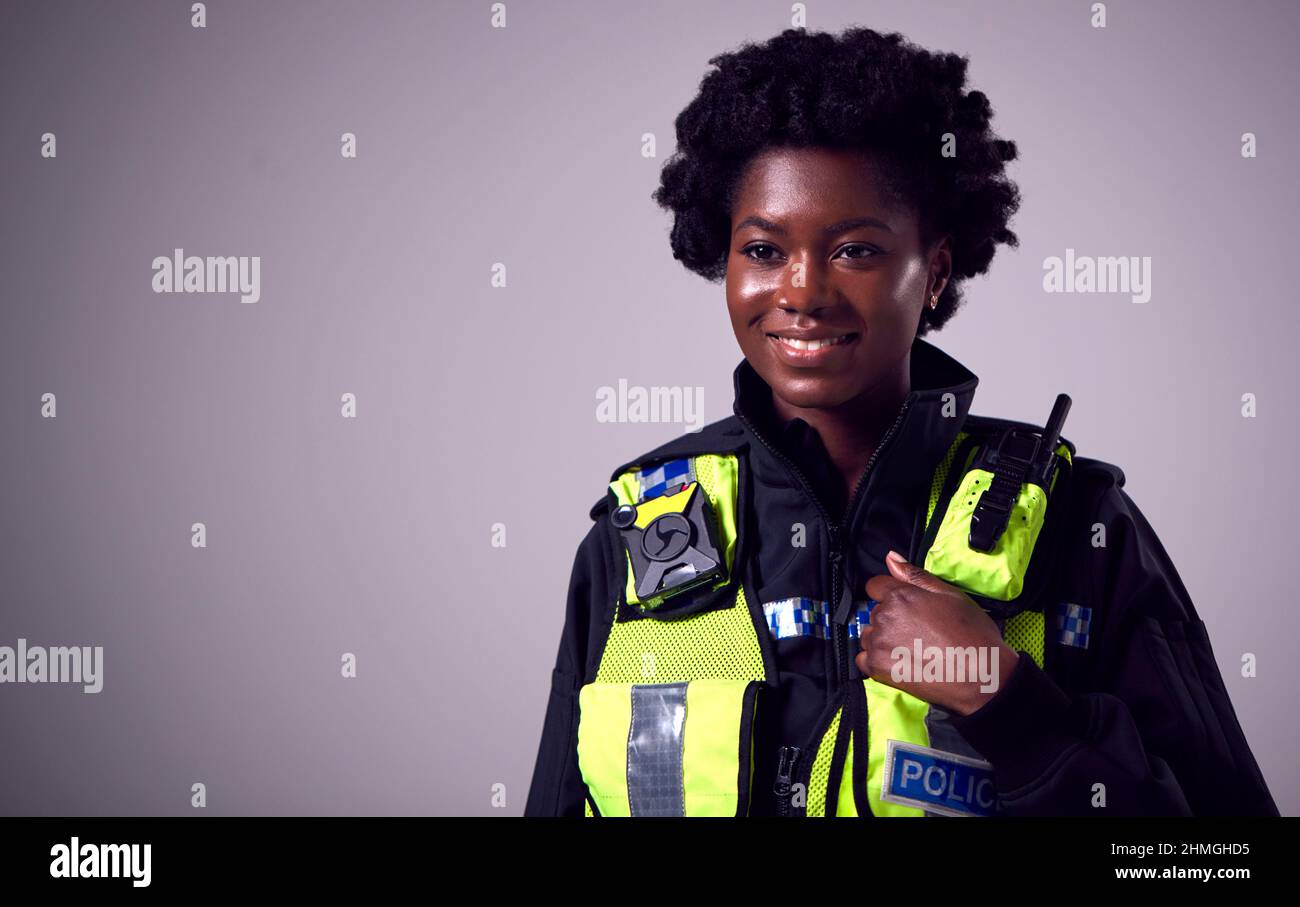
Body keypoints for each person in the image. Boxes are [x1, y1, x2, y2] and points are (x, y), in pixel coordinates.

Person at [524, 26, 1278, 817]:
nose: (803, 290)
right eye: (763, 249)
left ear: (936, 273)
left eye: (854, 250)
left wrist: (1009, 703)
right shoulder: (636, 536)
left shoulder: (1080, 530)